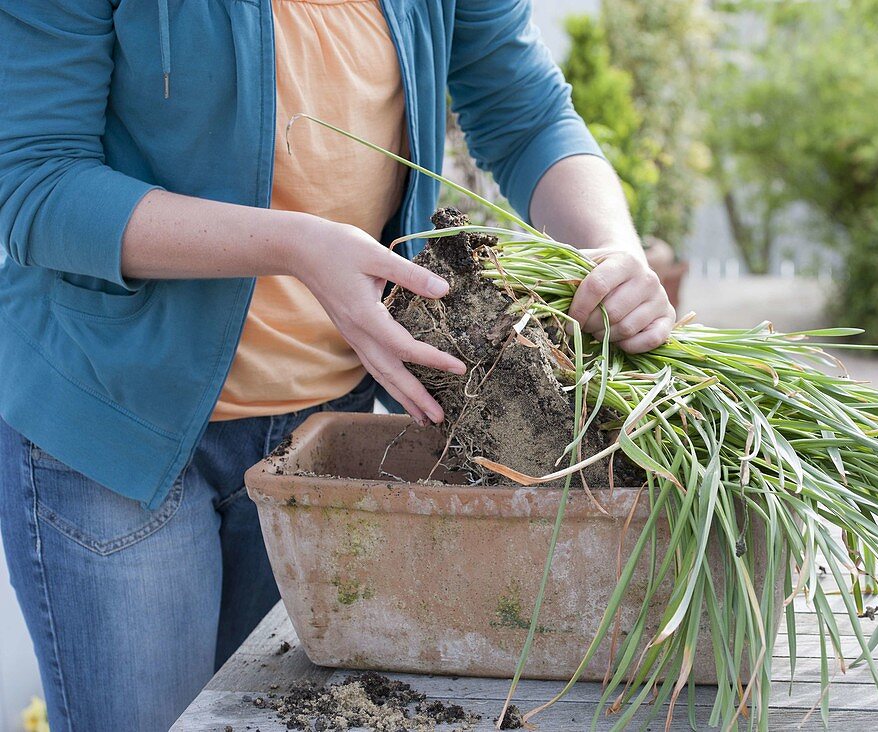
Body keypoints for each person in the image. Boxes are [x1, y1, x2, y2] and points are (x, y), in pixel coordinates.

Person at [0, 0, 675, 730]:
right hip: (116, 427)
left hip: (327, 438)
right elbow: (33, 184)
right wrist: (293, 246)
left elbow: (529, 115)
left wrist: (613, 252)